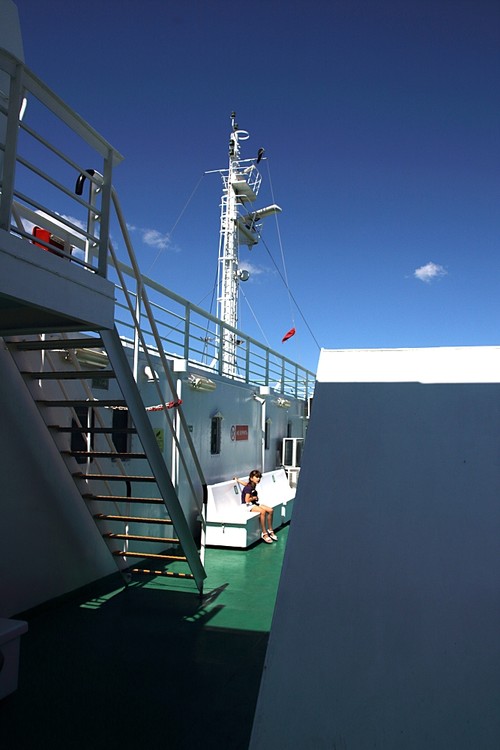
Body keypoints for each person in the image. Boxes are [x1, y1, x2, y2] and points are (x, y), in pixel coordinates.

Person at [233, 470, 277, 544]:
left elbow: (246, 484)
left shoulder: (252, 485)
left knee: (270, 510)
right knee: (262, 511)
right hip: (247, 506)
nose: (258, 479)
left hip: (253, 504)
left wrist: (238, 480)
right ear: (251, 478)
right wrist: (254, 498)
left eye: (259, 477)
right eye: (256, 477)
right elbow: (246, 500)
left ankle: (270, 529)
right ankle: (264, 532)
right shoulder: (248, 488)